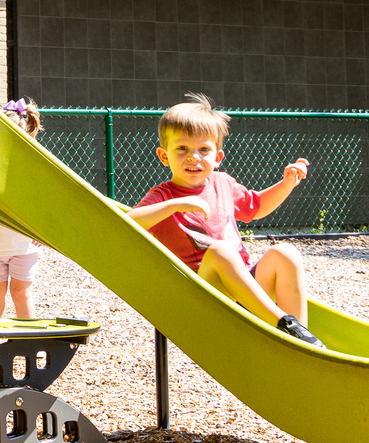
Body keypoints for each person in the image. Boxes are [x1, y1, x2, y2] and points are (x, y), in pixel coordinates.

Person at [125, 94, 324, 348]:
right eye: (182, 148)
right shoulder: (163, 195)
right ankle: (285, 326)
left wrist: (286, 185)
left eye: (203, 149)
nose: (194, 157)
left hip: (244, 290)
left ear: (218, 157)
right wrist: (174, 205)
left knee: (285, 253)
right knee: (220, 251)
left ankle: (302, 340)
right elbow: (127, 223)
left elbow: (257, 206)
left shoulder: (223, 183)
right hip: (201, 294)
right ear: (165, 156)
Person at [0, 99, 45, 320]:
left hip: (23, 245)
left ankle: (28, 342)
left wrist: (40, 229)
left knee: (21, 292)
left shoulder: (31, 165)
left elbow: (43, 200)